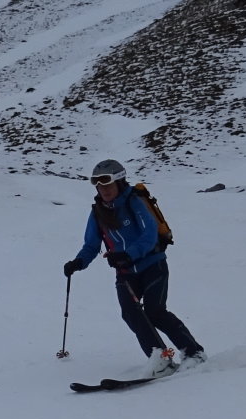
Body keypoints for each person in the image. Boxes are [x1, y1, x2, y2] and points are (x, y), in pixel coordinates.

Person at [63, 159, 204, 374]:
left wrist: (129, 255)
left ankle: (194, 353)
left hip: (153, 265)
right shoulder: (98, 212)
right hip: (126, 272)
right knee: (131, 314)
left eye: (107, 184)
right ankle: (161, 360)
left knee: (155, 312)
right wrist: (78, 262)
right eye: (99, 185)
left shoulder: (134, 202)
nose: (103, 189)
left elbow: (149, 234)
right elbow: (91, 245)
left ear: (119, 182)